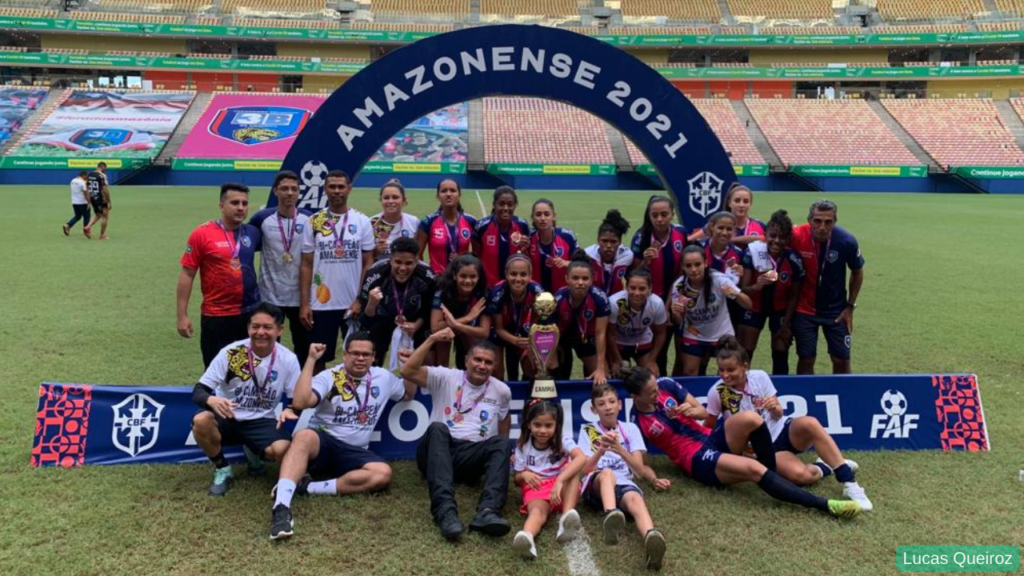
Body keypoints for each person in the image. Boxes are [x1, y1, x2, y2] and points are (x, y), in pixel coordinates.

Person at [624, 367, 863, 520]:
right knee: (755, 470)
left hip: (710, 437)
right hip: (696, 458)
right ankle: (827, 506)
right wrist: (653, 478)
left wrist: (692, 410)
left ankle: (774, 473)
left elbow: (700, 411)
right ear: (635, 397)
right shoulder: (638, 422)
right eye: (651, 393)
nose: (657, 394)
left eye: (656, 389)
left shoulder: (666, 384)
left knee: (751, 418)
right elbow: (640, 462)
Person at [269, 333, 416, 540]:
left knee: (383, 474)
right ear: (345, 354)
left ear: (374, 357)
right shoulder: (330, 376)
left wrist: (409, 367)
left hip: (355, 453)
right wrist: (311, 360)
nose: (360, 358)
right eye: (355, 353)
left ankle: (309, 487)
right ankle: (281, 508)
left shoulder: (383, 377)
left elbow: (408, 394)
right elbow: (301, 402)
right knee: (303, 436)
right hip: (324, 443)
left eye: (366, 354)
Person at [703, 338, 873, 510]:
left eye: (731, 370)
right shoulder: (716, 392)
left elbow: (779, 413)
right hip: (762, 450)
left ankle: (849, 483)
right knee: (803, 476)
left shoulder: (759, 377)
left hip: (782, 430)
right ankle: (827, 465)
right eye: (721, 370)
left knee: (810, 423)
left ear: (745, 366)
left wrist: (774, 407)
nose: (725, 375)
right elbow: (708, 426)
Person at [402, 328, 513, 541]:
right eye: (477, 360)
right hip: (438, 451)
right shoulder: (445, 376)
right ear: (466, 360)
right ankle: (445, 512)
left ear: (494, 366)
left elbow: (504, 418)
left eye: (488, 362)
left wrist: (504, 447)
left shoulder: (501, 390)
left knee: (501, 443)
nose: (482, 366)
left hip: (469, 456)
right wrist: (432, 338)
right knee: (437, 428)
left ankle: (488, 512)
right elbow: (408, 371)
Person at [190, 303, 300, 496]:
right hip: (227, 416)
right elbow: (199, 391)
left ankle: (254, 453)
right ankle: (222, 468)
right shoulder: (231, 352)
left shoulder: (288, 359)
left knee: (284, 449)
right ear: (248, 328)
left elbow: (295, 399)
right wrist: (211, 400)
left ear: (279, 329)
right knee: (201, 421)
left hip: (260, 420)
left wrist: (292, 409)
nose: (260, 332)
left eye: (267, 327)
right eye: (255, 326)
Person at [577, 384, 668, 570]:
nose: (608, 407)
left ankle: (650, 539)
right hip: (596, 486)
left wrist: (619, 449)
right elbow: (586, 469)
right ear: (594, 409)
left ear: (620, 404)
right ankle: (611, 516)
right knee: (607, 474)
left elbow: (640, 471)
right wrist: (601, 450)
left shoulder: (630, 429)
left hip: (624, 482)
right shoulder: (587, 430)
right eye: (601, 404)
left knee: (635, 498)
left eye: (611, 402)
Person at [178, 182, 262, 368]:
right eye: (235, 203)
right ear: (221, 205)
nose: (240, 207)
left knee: (248, 371)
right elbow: (187, 274)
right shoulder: (202, 234)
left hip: (250, 313)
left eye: (244, 203)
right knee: (216, 371)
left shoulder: (253, 233)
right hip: (216, 315)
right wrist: (182, 315)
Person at [299, 170, 375, 374]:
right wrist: (305, 303)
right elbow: (306, 264)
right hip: (321, 303)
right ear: (325, 189)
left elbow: (369, 263)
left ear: (349, 189)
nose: (336, 191)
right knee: (318, 358)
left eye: (341, 186)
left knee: (359, 357)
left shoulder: (362, 221)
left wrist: (361, 298)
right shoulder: (314, 221)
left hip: (353, 304)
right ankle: (315, 402)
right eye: (332, 187)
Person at [791, 200, 864, 375]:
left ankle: (844, 396)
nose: (822, 227)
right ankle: (806, 395)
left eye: (828, 222)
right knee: (806, 358)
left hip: (837, 312)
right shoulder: (796, 235)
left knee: (841, 359)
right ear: (809, 220)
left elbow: (857, 272)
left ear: (835, 222)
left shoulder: (846, 241)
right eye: (817, 221)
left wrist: (850, 306)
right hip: (804, 310)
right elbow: (769, 238)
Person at [511, 399, 587, 559]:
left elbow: (582, 458)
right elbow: (516, 480)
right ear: (528, 425)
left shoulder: (563, 440)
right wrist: (524, 475)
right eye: (537, 425)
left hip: (561, 488)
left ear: (556, 425)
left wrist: (559, 480)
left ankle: (567, 520)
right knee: (537, 512)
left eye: (548, 426)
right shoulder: (522, 445)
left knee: (573, 471)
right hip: (537, 487)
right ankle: (527, 538)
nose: (543, 430)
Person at [249, 171, 312, 360]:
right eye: (284, 189)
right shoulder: (262, 219)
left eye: (294, 189)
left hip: (299, 297)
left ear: (299, 192)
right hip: (270, 295)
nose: (290, 193)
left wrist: (307, 301)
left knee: (303, 345)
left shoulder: (310, 220)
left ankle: (300, 386)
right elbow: (245, 243)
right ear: (276, 191)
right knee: (268, 345)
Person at [669, 245, 752, 376]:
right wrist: (677, 313)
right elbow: (679, 321)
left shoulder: (719, 280)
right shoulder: (679, 287)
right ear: (683, 267)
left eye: (697, 264)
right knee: (689, 372)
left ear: (706, 263)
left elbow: (748, 304)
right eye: (688, 266)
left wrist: (737, 295)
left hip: (722, 333)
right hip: (694, 333)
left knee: (729, 372)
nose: (694, 269)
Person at [738, 209, 804, 373]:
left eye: (782, 237)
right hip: (753, 307)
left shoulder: (794, 259)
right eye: (773, 236)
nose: (777, 241)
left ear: (789, 238)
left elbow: (794, 296)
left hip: (780, 310)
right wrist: (756, 286)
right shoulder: (752, 253)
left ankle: (781, 393)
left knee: (781, 353)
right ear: (765, 234)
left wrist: (786, 325)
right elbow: (743, 290)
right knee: (745, 354)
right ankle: (742, 392)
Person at [630, 196, 688, 375]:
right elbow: (633, 275)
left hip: (674, 299)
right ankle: (655, 387)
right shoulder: (641, 237)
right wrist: (645, 262)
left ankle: (676, 389)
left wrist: (669, 303)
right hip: (647, 302)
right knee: (656, 349)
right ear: (649, 215)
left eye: (664, 214)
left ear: (672, 214)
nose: (659, 219)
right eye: (655, 215)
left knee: (681, 348)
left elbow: (682, 272)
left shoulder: (681, 234)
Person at [359, 237, 435, 367]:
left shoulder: (427, 276)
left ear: (417, 261)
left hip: (414, 319)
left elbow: (430, 310)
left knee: (427, 357)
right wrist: (371, 304)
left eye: (409, 263)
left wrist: (417, 324)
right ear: (390, 260)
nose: (403, 268)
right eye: (398, 262)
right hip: (381, 318)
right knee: (370, 354)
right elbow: (365, 321)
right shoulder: (374, 275)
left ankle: (418, 385)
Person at [553, 250, 610, 385]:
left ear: (592, 279)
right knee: (555, 372)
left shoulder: (599, 298)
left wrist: (600, 368)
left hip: (586, 338)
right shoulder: (558, 298)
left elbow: (600, 334)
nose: (580, 282)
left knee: (603, 377)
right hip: (562, 339)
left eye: (585, 279)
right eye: (575, 278)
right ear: (567, 278)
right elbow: (551, 332)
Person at [489, 254, 544, 381]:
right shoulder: (498, 293)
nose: (518, 279)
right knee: (496, 371)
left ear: (530, 275)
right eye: (513, 274)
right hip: (500, 331)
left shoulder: (537, 292)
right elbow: (498, 328)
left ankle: (527, 397)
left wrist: (530, 341)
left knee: (531, 365)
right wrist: (514, 340)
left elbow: (535, 323)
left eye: (523, 274)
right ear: (506, 274)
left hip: (522, 329)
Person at [430, 254, 490, 369]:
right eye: (463, 276)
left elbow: (484, 332)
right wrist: (467, 318)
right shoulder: (443, 289)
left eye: (473, 276)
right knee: (443, 335)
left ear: (478, 277)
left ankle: (470, 379)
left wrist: (457, 325)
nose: (468, 281)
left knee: (475, 351)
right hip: (446, 329)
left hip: (466, 330)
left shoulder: (483, 293)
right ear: (454, 275)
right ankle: (443, 374)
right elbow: (435, 327)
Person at [606, 269, 669, 378]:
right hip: (618, 343)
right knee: (619, 374)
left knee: (650, 375)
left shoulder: (657, 303)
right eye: (632, 288)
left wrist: (652, 360)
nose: (636, 293)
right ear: (626, 287)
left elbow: (661, 333)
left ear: (650, 288)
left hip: (642, 340)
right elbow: (609, 333)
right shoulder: (615, 302)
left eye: (642, 289)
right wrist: (616, 360)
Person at [473, 185, 530, 286]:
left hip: (514, 286)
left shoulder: (522, 225)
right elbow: (476, 257)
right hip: (488, 286)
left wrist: (526, 248)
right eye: (501, 204)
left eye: (510, 204)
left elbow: (526, 257)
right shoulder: (482, 227)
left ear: (515, 205)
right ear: (494, 204)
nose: (506, 208)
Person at [418, 179, 477, 275]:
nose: (448, 194)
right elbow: (418, 255)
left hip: (462, 280)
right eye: (444, 191)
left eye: (453, 190)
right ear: (438, 196)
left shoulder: (471, 221)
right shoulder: (428, 222)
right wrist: (428, 275)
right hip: (437, 280)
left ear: (459, 195)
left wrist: (463, 260)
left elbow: (477, 255)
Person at [690, 184, 765, 248]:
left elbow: (767, 239)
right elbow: (690, 240)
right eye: (737, 201)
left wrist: (731, 240)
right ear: (729, 203)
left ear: (750, 204)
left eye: (745, 201)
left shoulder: (760, 225)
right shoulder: (716, 224)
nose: (741, 205)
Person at [528, 199, 578, 293]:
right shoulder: (528, 238)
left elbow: (582, 264)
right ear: (533, 217)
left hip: (562, 294)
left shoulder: (567, 237)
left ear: (553, 216)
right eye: (538, 214)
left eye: (547, 214)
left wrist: (568, 263)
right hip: (535, 294)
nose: (542, 218)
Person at [586, 209, 634, 297]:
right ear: (598, 240)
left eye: (613, 242)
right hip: (594, 298)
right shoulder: (588, 255)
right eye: (604, 241)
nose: (608, 245)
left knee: (623, 311)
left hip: (619, 297)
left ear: (620, 242)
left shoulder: (627, 255)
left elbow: (633, 277)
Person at [370, 179, 420, 262]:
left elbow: (417, 254)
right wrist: (376, 251)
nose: (390, 201)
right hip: (379, 272)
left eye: (395, 197)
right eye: (386, 198)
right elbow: (364, 258)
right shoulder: (371, 222)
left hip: (405, 271)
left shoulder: (414, 222)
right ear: (381, 200)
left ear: (404, 200)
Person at [83, 162, 111, 240]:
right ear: (103, 167)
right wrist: (109, 201)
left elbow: (87, 187)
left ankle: (87, 227)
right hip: (101, 198)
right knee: (105, 216)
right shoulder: (102, 176)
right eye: (106, 168)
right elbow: (105, 189)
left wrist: (89, 200)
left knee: (98, 214)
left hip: (92, 197)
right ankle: (102, 235)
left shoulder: (90, 174)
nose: (106, 170)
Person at [63, 170, 90, 237]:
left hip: (74, 202)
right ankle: (86, 231)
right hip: (83, 202)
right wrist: (89, 202)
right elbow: (85, 193)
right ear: (84, 175)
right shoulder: (82, 182)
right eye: (87, 176)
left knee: (78, 216)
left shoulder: (73, 181)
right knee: (86, 216)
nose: (87, 178)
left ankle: (68, 225)